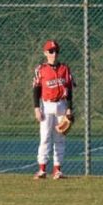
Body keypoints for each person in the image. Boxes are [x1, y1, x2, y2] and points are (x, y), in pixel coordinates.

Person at [32, 39, 75, 179]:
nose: (54, 54)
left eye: (56, 51)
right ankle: (42, 169)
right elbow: (36, 89)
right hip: (46, 105)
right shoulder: (41, 69)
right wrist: (36, 108)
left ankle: (57, 170)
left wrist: (69, 108)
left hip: (61, 105)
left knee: (60, 138)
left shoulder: (65, 69)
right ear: (45, 53)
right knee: (45, 137)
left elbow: (69, 89)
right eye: (51, 51)